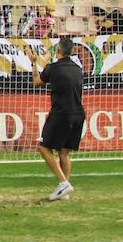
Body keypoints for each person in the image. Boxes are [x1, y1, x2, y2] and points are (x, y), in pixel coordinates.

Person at [29, 36, 85, 201]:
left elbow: (37, 82)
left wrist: (34, 63)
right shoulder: (77, 68)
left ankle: (63, 183)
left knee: (43, 148)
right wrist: (46, 63)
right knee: (64, 152)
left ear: (58, 51)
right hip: (79, 114)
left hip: (61, 113)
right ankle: (63, 189)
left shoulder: (53, 68)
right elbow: (58, 75)